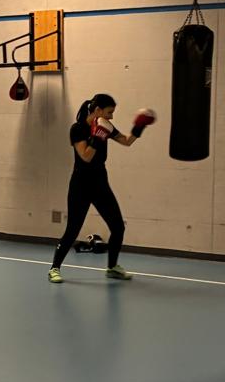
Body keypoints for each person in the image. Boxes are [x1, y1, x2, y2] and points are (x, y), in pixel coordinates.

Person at [49, 95, 155, 283]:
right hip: (81, 184)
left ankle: (112, 267)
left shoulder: (106, 125)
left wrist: (139, 126)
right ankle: (54, 269)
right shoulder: (78, 129)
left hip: (100, 183)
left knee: (117, 227)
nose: (111, 117)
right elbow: (86, 156)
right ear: (97, 110)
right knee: (72, 229)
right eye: (109, 112)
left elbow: (127, 141)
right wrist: (98, 136)